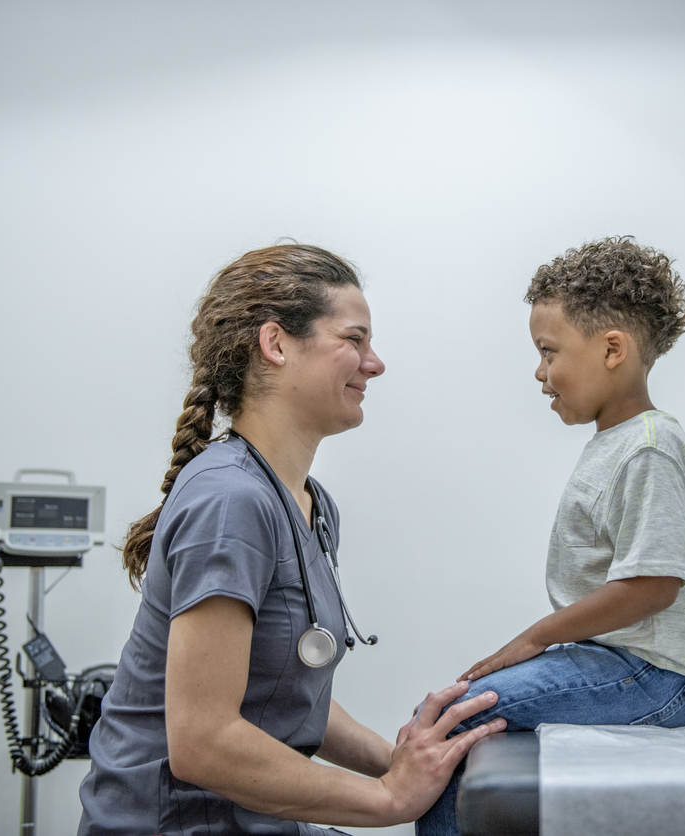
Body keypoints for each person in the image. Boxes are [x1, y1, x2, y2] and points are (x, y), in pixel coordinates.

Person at [78, 244, 506, 836]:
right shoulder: (230, 501)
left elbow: (284, 698)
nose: (374, 363)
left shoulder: (308, 503)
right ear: (276, 344)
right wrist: (386, 801)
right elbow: (204, 742)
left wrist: (405, 765)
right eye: (354, 340)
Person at [417, 236, 685, 836]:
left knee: (450, 720)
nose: (540, 373)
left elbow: (653, 584)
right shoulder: (617, 442)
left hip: (665, 676)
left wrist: (534, 639)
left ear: (612, 348)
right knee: (444, 712)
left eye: (548, 352)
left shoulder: (649, 448)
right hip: (623, 660)